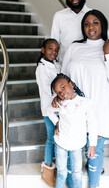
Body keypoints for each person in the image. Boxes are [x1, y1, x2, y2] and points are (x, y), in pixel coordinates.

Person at [59, 9, 109, 188]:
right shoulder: (74, 47)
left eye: (95, 22)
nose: (91, 27)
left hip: (100, 109)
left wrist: (108, 53)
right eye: (87, 24)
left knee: (94, 153)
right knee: (73, 153)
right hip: (75, 110)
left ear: (102, 24)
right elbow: (62, 77)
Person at [50, 73, 97, 188]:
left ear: (71, 84)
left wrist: (92, 144)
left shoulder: (85, 102)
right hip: (61, 143)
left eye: (63, 87)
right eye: (58, 92)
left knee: (77, 174)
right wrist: (57, 123)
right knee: (62, 173)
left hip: (77, 145)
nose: (62, 93)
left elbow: (92, 124)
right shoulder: (59, 102)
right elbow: (48, 111)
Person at [35, 38, 61, 187]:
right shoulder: (41, 68)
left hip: (58, 108)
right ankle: (47, 169)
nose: (54, 52)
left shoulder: (55, 65)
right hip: (49, 109)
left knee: (58, 137)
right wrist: (61, 95)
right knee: (51, 138)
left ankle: (57, 165)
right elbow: (48, 89)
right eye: (50, 49)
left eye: (56, 50)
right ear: (43, 50)